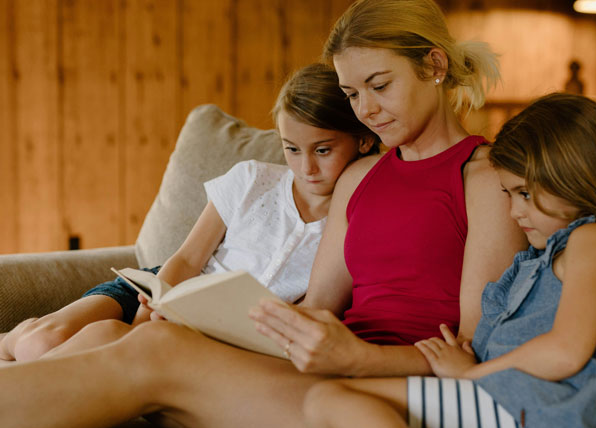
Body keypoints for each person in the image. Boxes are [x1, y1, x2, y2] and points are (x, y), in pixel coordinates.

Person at [0, 1, 526, 428]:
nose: (366, 109)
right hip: (318, 372)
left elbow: (476, 346)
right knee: (133, 337)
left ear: (433, 65)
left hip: (386, 393)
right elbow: (319, 307)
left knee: (154, 351)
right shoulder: (361, 176)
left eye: (379, 86)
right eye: (352, 93)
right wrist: (222, 323)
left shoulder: (485, 179)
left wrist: (357, 357)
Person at [301, 93, 596, 428]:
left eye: (525, 193)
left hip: (542, 425)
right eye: (509, 195)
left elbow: (565, 352)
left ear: (576, 178)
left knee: (326, 401)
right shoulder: (537, 262)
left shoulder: (593, 240)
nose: (514, 212)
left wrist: (472, 374)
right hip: (506, 412)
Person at [0, 62, 377, 363]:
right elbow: (187, 258)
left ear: (362, 140)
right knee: (39, 343)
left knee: (48, 353)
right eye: (292, 149)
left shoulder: (358, 219)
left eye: (322, 150)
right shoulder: (252, 178)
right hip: (163, 290)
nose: (305, 167)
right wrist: (145, 319)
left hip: (212, 331)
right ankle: (14, 338)